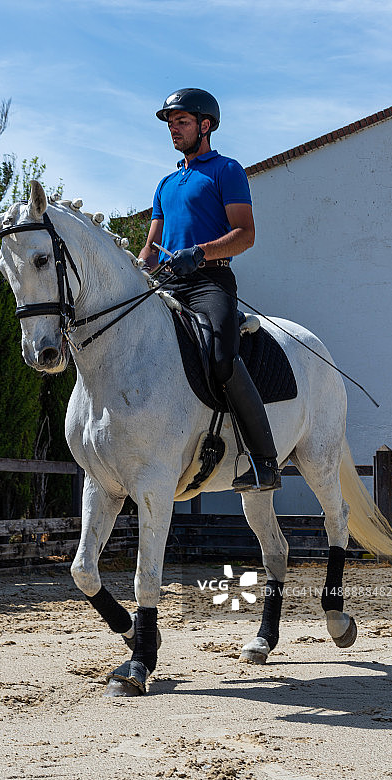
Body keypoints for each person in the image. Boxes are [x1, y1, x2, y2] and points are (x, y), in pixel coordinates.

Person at [139, 87, 281, 491]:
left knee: (221, 356)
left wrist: (199, 254)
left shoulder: (227, 170)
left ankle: (263, 463)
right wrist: (137, 273)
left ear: (205, 125)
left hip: (210, 280)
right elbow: (151, 248)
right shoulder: (166, 183)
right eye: (170, 123)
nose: (173, 130)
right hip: (168, 281)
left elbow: (245, 234)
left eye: (181, 122)